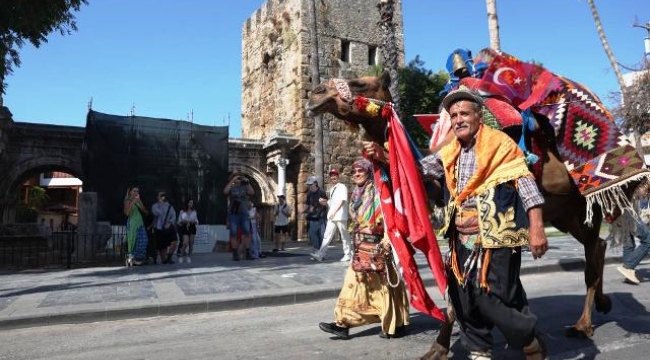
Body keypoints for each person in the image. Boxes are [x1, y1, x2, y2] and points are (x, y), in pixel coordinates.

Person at [397, 88, 548, 359]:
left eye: (464, 113)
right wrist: (389, 154)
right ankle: (479, 351)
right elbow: (416, 170)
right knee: (463, 298)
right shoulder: (450, 151)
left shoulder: (501, 146)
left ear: (479, 116)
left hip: (496, 236)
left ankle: (529, 336)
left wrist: (537, 228)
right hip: (461, 239)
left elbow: (527, 188)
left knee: (491, 296)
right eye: (453, 115)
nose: (458, 120)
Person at [318, 158, 410, 339]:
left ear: (369, 172)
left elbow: (389, 217)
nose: (357, 174)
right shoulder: (356, 195)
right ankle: (342, 323)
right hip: (360, 248)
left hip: (377, 248)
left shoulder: (379, 192)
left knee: (384, 287)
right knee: (351, 285)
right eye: (354, 172)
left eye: (361, 171)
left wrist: (386, 241)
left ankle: (395, 324)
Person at [312, 168, 351, 262]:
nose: (333, 177)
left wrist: (334, 211)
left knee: (344, 235)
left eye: (335, 175)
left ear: (338, 177)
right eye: (331, 176)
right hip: (332, 216)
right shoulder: (332, 189)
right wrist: (324, 202)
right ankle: (321, 254)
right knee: (327, 235)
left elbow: (342, 200)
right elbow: (331, 203)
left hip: (340, 215)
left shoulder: (342, 187)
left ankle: (348, 254)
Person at [224, 174, 254, 260]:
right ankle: (235, 253)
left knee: (247, 233)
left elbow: (252, 192)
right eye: (237, 178)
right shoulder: (231, 188)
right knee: (233, 234)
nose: (239, 179)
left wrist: (247, 181)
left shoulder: (245, 187)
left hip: (244, 213)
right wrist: (232, 180)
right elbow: (225, 191)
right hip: (234, 213)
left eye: (239, 178)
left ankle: (248, 253)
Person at [123, 186, 149, 266]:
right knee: (132, 242)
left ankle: (137, 258)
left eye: (137, 191)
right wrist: (133, 202)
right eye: (134, 191)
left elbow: (145, 211)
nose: (136, 193)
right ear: (130, 192)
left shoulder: (138, 200)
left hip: (140, 223)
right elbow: (127, 213)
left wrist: (139, 201)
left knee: (144, 241)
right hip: (132, 224)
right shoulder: (127, 200)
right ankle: (131, 259)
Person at [151, 191, 178, 264]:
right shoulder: (155, 206)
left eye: (163, 195)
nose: (162, 197)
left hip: (169, 227)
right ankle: (165, 259)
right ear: (158, 197)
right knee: (163, 249)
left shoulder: (170, 206)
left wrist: (169, 223)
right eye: (160, 195)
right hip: (159, 228)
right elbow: (156, 212)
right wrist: (160, 204)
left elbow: (174, 216)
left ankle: (169, 257)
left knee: (174, 242)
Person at [305, 175, 327, 253]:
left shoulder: (321, 191)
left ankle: (321, 251)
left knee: (321, 235)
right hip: (312, 217)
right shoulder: (309, 194)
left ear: (315, 183)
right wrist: (306, 211)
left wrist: (322, 204)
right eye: (309, 185)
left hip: (320, 216)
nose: (309, 186)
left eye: (311, 184)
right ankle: (317, 250)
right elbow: (307, 204)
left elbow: (326, 203)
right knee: (312, 234)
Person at [177, 199, 198, 264]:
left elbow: (197, 221)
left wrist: (192, 221)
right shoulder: (182, 211)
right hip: (185, 227)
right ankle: (181, 252)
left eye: (192, 203)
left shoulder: (194, 212)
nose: (191, 204)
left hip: (192, 227)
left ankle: (189, 256)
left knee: (191, 243)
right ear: (187, 203)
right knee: (186, 242)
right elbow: (179, 221)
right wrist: (185, 221)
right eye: (190, 202)